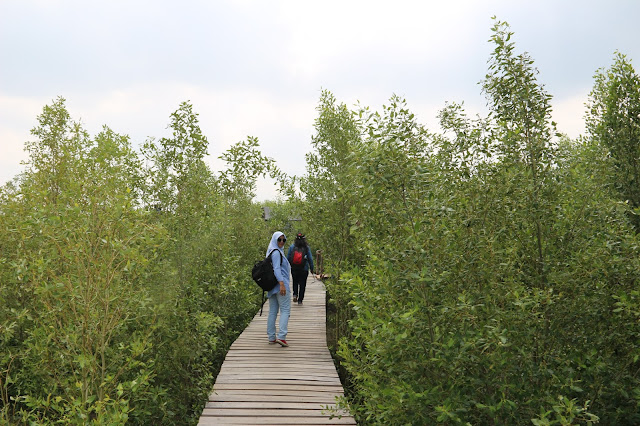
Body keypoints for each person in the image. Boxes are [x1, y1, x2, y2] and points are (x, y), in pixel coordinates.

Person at [266, 231, 291, 347]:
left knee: (273, 311)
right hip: (280, 285)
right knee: (285, 310)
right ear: (274, 240)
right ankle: (282, 336)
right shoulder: (276, 253)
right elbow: (276, 269)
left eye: (283, 240)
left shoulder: (271, 251)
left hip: (272, 286)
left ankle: (271, 337)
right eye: (279, 240)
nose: (281, 242)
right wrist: (282, 284)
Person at [287, 233, 315, 305]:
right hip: (304, 269)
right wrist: (312, 268)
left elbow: (288, 258)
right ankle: (300, 300)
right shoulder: (306, 248)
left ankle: (295, 294)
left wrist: (288, 267)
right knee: (302, 284)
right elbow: (310, 259)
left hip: (294, 268)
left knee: (295, 282)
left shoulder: (292, 247)